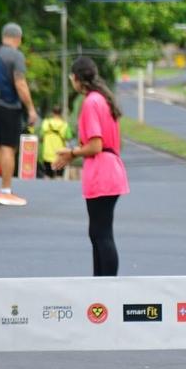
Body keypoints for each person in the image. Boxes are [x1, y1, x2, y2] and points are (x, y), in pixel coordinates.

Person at [51, 57, 128, 277]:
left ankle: (106, 284)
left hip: (102, 173)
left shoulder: (91, 102)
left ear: (76, 79)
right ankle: (100, 283)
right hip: (110, 169)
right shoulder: (103, 99)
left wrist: (72, 152)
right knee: (98, 232)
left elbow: (95, 145)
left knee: (101, 233)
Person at [0, 22, 38, 206]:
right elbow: (20, 83)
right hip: (9, 106)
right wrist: (31, 108)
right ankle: (5, 190)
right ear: (18, 38)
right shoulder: (16, 56)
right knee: (9, 148)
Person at [39, 106, 70, 179]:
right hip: (60, 155)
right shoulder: (65, 125)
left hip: (47, 154)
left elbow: (41, 137)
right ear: (61, 113)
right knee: (59, 177)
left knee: (47, 176)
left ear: (52, 113)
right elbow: (68, 138)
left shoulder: (46, 123)